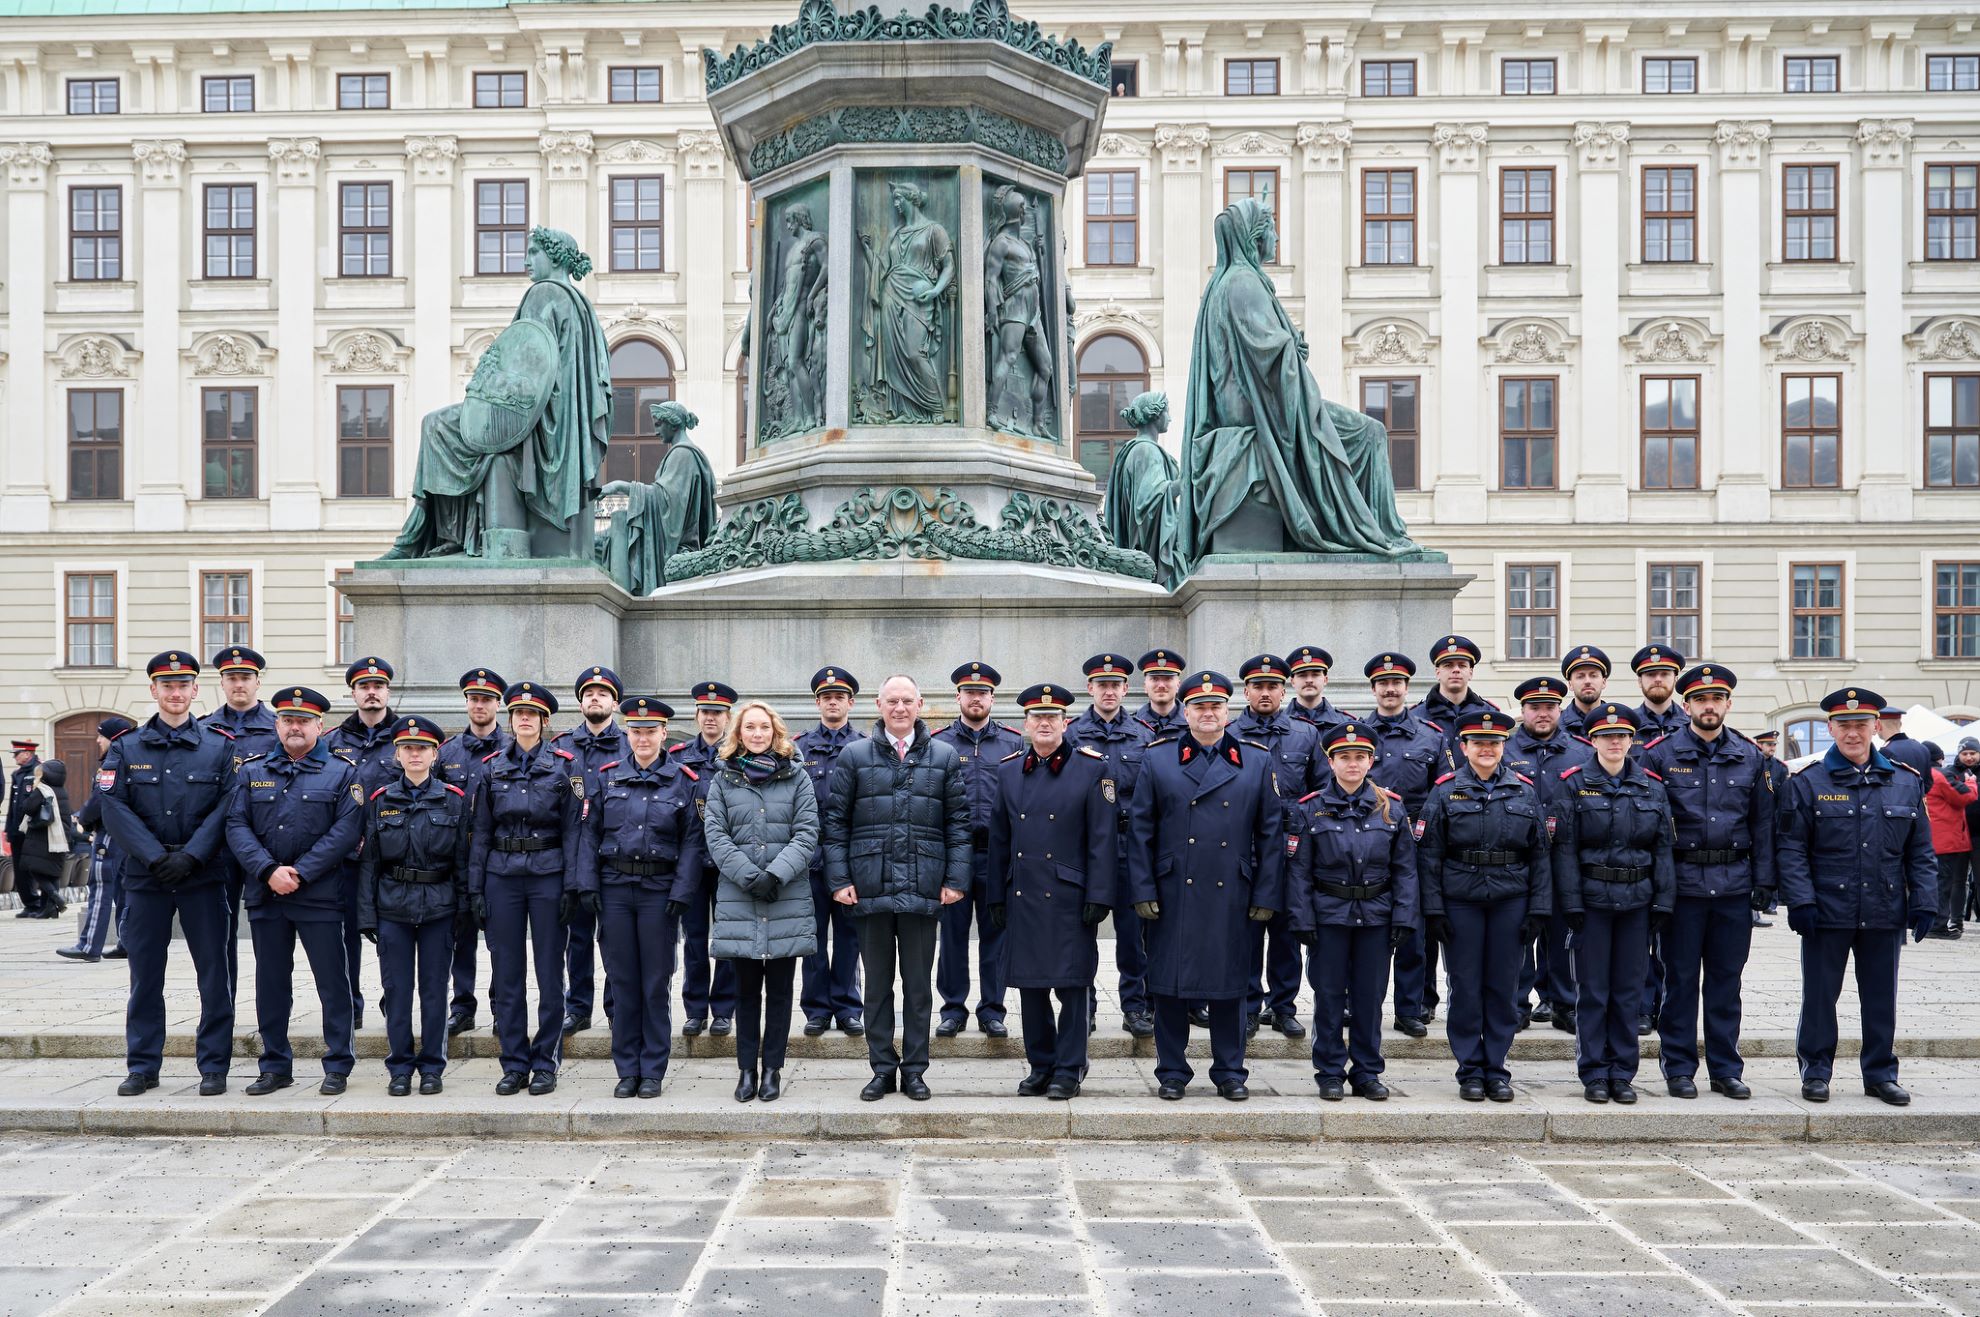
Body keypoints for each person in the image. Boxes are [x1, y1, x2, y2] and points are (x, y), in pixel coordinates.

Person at [1778, 687, 1938, 1106]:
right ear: (1830, 728)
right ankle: (1816, 1071)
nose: (1853, 733)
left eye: (1861, 725)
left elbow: (1920, 850)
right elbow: (1792, 848)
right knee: (1819, 998)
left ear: (1876, 727)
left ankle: (1880, 1073)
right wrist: (1801, 900)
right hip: (1827, 909)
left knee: (1881, 998)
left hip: (1885, 908)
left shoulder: (1905, 781)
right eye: (1844, 725)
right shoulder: (1808, 781)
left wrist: (1925, 900)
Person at [1128, 670, 1284, 1101]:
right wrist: (1142, 889)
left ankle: (1230, 1070)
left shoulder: (1255, 760)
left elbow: (1270, 834)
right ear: (1186, 711)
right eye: (1199, 706)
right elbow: (1140, 830)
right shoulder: (1158, 758)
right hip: (1174, 887)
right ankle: (1172, 1071)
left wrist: (1267, 893)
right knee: (1168, 984)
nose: (1208, 714)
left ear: (1228, 712)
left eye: (1215, 706)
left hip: (1232, 890)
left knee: (1231, 985)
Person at [822, 674, 971, 1103]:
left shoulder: (944, 757)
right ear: (879, 704)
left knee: (918, 986)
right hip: (870, 887)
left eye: (907, 700)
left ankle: (916, 1070)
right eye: (892, 701)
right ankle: (882, 1068)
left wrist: (956, 880)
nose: (900, 708)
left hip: (924, 887)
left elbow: (957, 826)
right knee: (877, 986)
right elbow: (836, 823)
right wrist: (840, 880)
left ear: (920, 704)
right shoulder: (854, 756)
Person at [97, 651, 239, 1097]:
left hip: (202, 876)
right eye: (167, 686)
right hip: (145, 877)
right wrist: (156, 856)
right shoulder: (126, 747)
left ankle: (214, 1066)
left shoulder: (220, 746)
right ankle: (142, 1066)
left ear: (196, 690)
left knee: (214, 974)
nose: (175, 693)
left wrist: (192, 855)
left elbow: (227, 807)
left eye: (183, 686)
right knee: (145, 976)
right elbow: (113, 806)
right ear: (154, 691)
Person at [1640, 664, 1775, 1101]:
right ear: (1687, 705)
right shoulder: (1660, 754)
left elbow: (1764, 823)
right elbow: (1650, 826)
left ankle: (1725, 1068)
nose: (1709, 706)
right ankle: (1678, 1067)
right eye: (1700, 700)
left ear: (1728, 704)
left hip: (1733, 884)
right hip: (1682, 885)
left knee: (1725, 982)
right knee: (1679, 982)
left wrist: (1764, 882)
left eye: (1716, 699)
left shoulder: (1751, 756)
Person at [226, 686, 366, 1096]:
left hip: (320, 894)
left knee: (332, 983)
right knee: (271, 983)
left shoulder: (342, 772)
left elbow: (346, 831)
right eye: (288, 720)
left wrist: (299, 873)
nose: (295, 727)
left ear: (319, 726)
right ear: (277, 724)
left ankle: (338, 1063)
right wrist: (268, 870)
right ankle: (275, 1065)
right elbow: (236, 825)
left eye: (304, 721)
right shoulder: (253, 771)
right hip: (267, 894)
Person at [986, 682, 1117, 1099]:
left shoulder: (1092, 768)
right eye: (1037, 717)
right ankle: (1040, 1064)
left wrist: (1100, 895)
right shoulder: (1008, 770)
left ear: (1065, 723)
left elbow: (1102, 839)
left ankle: (1069, 1067)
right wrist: (995, 894)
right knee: (1031, 987)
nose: (1044, 723)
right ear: (1025, 724)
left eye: (1052, 717)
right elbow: (999, 840)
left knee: (1073, 987)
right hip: (1023, 893)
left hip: (1069, 898)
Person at [1416, 709, 1552, 1103]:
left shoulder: (1523, 791)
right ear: (1463, 747)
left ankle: (1496, 1067)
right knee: (1465, 987)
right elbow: (1429, 856)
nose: (1487, 749)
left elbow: (1541, 854)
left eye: (1494, 743)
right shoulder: (1444, 791)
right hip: (1461, 901)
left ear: (1503, 746)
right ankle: (1469, 1069)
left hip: (1511, 899)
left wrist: (1539, 909)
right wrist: (1434, 910)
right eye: (1478, 743)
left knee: (1502, 987)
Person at [468, 681, 589, 1096]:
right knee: (507, 973)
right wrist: (475, 889)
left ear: (543, 721)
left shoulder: (564, 765)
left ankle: (545, 1062)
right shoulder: (491, 767)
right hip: (502, 875)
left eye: (531, 714)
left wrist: (574, 885)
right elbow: (480, 832)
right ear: (510, 719)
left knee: (549, 972)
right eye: (517, 713)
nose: (523, 719)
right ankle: (514, 1062)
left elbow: (575, 830)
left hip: (548, 874)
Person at [1286, 722, 1418, 1101]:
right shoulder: (1310, 810)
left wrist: (1405, 916)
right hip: (1329, 916)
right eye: (1344, 757)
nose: (1352, 764)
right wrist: (1301, 919)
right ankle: (1329, 1071)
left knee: (1369, 997)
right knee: (1328, 996)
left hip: (1376, 915)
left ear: (1371, 760)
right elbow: (1298, 870)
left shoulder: (1390, 807)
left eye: (1360, 757)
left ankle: (1366, 1071)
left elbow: (1405, 870)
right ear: (1330, 761)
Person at [579, 696, 703, 1100]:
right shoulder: (607, 776)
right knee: (622, 979)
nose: (643, 737)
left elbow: (691, 843)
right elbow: (589, 834)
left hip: (658, 893)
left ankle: (652, 1068)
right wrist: (588, 886)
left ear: (664, 733)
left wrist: (682, 891)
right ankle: (626, 1067)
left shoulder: (684, 780)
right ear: (627, 732)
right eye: (636, 730)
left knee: (654, 982)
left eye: (651, 730)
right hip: (615, 890)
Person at [1551, 705, 1675, 1105]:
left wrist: (1662, 900)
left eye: (1622, 735)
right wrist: (1570, 903)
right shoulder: (1572, 784)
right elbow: (1564, 849)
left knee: (1628, 991)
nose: (1615, 742)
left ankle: (1622, 1072)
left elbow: (1662, 848)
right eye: (1607, 736)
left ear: (1631, 740)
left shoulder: (1652, 786)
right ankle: (1593, 1072)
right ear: (1593, 740)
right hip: (1591, 902)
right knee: (1594, 992)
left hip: (1637, 902)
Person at [704, 700, 819, 1103]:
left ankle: (772, 1069)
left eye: (764, 728)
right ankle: (746, 1070)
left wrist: (776, 874)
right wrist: (751, 876)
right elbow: (715, 835)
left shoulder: (797, 778)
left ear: (775, 732)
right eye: (749, 728)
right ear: (738, 733)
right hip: (741, 896)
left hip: (785, 895)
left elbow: (807, 833)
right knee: (746, 991)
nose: (757, 734)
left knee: (782, 991)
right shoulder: (723, 780)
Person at [356, 715, 472, 1097]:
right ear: (398, 754)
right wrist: (366, 914)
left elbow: (462, 861)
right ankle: (401, 1067)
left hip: (439, 907)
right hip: (393, 908)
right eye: (407, 748)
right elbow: (370, 861)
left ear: (435, 754)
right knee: (398, 991)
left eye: (422, 748)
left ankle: (433, 1067)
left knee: (436, 991)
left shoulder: (454, 801)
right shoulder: (380, 800)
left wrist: (464, 911)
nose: (415, 754)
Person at [1066, 653, 1156, 1038]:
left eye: (1115, 685)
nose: (1108, 691)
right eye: (1101, 684)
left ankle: (1135, 1007)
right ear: (1090, 688)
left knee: (1133, 936)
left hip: (1131, 848)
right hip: (1087, 848)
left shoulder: (1143, 735)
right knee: (1081, 930)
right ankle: (1083, 1004)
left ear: (1124, 689)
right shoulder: (1071, 735)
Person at [1232, 653, 1321, 1039]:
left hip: (1291, 848)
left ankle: (1282, 1007)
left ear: (1284, 690)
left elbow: (1319, 793)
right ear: (1246, 691)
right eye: (1258, 687)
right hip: (1245, 847)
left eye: (1273, 686)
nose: (1265, 693)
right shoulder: (1230, 733)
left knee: (1286, 934)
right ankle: (1248, 1006)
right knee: (1247, 933)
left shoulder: (1305, 734)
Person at [933, 662, 1023, 1038]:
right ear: (958, 697)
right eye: (968, 692)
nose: (975, 698)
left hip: (997, 853)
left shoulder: (1013, 742)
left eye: (982, 692)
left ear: (991, 698)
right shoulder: (937, 743)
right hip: (953, 853)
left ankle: (992, 1009)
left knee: (997, 933)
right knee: (951, 935)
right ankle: (953, 1009)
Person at [1360, 653, 1447, 1039]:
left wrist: (1421, 829)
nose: (1390, 689)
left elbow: (1443, 792)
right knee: (1366, 931)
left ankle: (1410, 1009)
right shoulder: (1357, 734)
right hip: (1368, 848)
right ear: (1374, 689)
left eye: (1397, 683)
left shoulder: (1431, 736)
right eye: (1383, 683)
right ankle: (1360, 1005)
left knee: (1413, 930)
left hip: (1416, 848)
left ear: (1407, 688)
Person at [1502, 676, 1591, 1034]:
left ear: (1559, 710)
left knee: (1563, 933)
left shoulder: (1581, 751)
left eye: (1549, 707)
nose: (1542, 714)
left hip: (1563, 857)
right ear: (1522, 711)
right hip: (1518, 858)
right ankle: (1518, 1003)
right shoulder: (1505, 750)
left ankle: (1563, 1002)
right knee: (1519, 934)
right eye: (1534, 708)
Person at [324, 656, 401, 1029]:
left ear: (388, 691)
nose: (372, 693)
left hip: (392, 854)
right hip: (348, 857)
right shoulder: (332, 741)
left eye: (378, 686)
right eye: (364, 687)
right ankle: (350, 1003)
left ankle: (394, 1000)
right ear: (353, 692)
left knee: (392, 934)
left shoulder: (408, 737)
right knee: (346, 936)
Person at [551, 665, 626, 1035]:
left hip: (613, 859)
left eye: (602, 693)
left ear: (615, 702)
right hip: (572, 856)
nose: (595, 698)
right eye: (589, 693)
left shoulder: (630, 746)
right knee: (576, 939)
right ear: (580, 702)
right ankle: (578, 1006)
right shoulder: (561, 747)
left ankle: (616, 1008)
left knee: (613, 939)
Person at [202, 646, 280, 994]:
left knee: (270, 936)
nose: (239, 685)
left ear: (257, 682)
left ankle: (272, 1008)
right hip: (218, 847)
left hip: (264, 846)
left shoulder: (277, 727)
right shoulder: (204, 729)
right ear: (221, 683)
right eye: (232, 678)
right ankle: (224, 1002)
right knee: (219, 932)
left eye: (245, 678)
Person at [438, 668, 509, 1035]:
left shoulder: (511, 749)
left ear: (498, 705)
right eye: (474, 699)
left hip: (496, 857)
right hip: (455, 858)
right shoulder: (446, 752)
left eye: (487, 699)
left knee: (499, 938)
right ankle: (462, 1005)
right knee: (459, 936)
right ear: (466, 702)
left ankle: (501, 1007)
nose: (480, 705)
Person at [796, 667, 864, 1037]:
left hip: (852, 859)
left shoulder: (866, 746)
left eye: (839, 696)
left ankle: (848, 1006)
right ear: (817, 702)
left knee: (850, 936)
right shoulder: (798, 748)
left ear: (850, 702)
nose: (832, 701)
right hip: (810, 858)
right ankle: (817, 1009)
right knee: (813, 936)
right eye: (826, 697)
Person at [673, 681, 741, 1037]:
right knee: (695, 938)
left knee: (728, 939)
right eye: (705, 712)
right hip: (692, 862)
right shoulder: (680, 756)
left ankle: (724, 1009)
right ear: (697, 716)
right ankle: (696, 1009)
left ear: (728, 717)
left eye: (717, 713)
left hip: (730, 863)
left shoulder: (740, 755)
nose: (710, 718)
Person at [61, 715, 136, 962]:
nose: (96, 740)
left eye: (100, 735)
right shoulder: (134, 760)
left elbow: (100, 799)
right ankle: (126, 942)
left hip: (108, 837)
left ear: (112, 738)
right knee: (125, 893)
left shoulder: (112, 763)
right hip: (128, 839)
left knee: (100, 890)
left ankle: (88, 945)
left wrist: (82, 818)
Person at [14, 759, 79, 920]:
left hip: (42, 837)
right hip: (60, 838)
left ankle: (55, 897)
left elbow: (27, 808)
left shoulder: (42, 790)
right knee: (52, 873)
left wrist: (29, 794)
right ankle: (51, 910)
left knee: (34, 869)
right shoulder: (62, 790)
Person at [1411, 636, 1495, 758]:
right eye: (1448, 665)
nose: (1456, 670)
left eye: (1462, 665)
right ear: (1437, 672)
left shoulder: (1488, 713)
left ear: (1470, 673)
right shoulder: (1416, 716)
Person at [1925, 746, 1977, 939]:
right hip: (1944, 838)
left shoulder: (1918, 774)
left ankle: (1923, 924)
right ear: (1939, 759)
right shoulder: (1939, 775)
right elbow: (1964, 796)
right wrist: (1971, 782)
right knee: (1943, 883)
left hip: (1928, 837)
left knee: (1930, 882)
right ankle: (1937, 926)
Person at [1753, 729, 1789, 925]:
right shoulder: (1752, 763)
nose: (1772, 748)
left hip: (1774, 820)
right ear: (1759, 744)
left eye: (1774, 744)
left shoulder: (1780, 768)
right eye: (1769, 744)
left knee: (1774, 859)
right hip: (1759, 820)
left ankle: (1771, 902)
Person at [7, 739, 45, 916]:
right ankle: (29, 903)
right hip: (17, 829)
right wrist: (8, 829)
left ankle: (43, 903)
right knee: (20, 868)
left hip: (33, 829)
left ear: (28, 754)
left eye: (17, 754)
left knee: (35, 866)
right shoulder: (18, 774)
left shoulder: (39, 771)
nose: (15, 757)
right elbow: (12, 806)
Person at [1286, 646, 1351, 741]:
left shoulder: (1345, 724)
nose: (1309, 680)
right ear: (1292, 682)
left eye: (1315, 675)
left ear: (1325, 680)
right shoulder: (1279, 725)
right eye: (1302, 675)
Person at [1630, 645, 1688, 742]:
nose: (1658, 679)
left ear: (1675, 680)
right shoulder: (1628, 726)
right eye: (1650, 674)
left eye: (1664, 674)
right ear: (1640, 681)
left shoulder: (1691, 726)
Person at [1557, 646, 1612, 741]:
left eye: (1593, 675)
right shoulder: (1556, 727)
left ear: (1604, 682)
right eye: (1580, 676)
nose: (1587, 681)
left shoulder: (1619, 724)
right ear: (1570, 684)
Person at [1132, 649, 1187, 739]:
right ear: (1145, 686)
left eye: (1168, 678)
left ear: (1178, 685)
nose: (1161, 685)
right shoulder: (1131, 726)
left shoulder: (1194, 724)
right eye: (1155, 679)